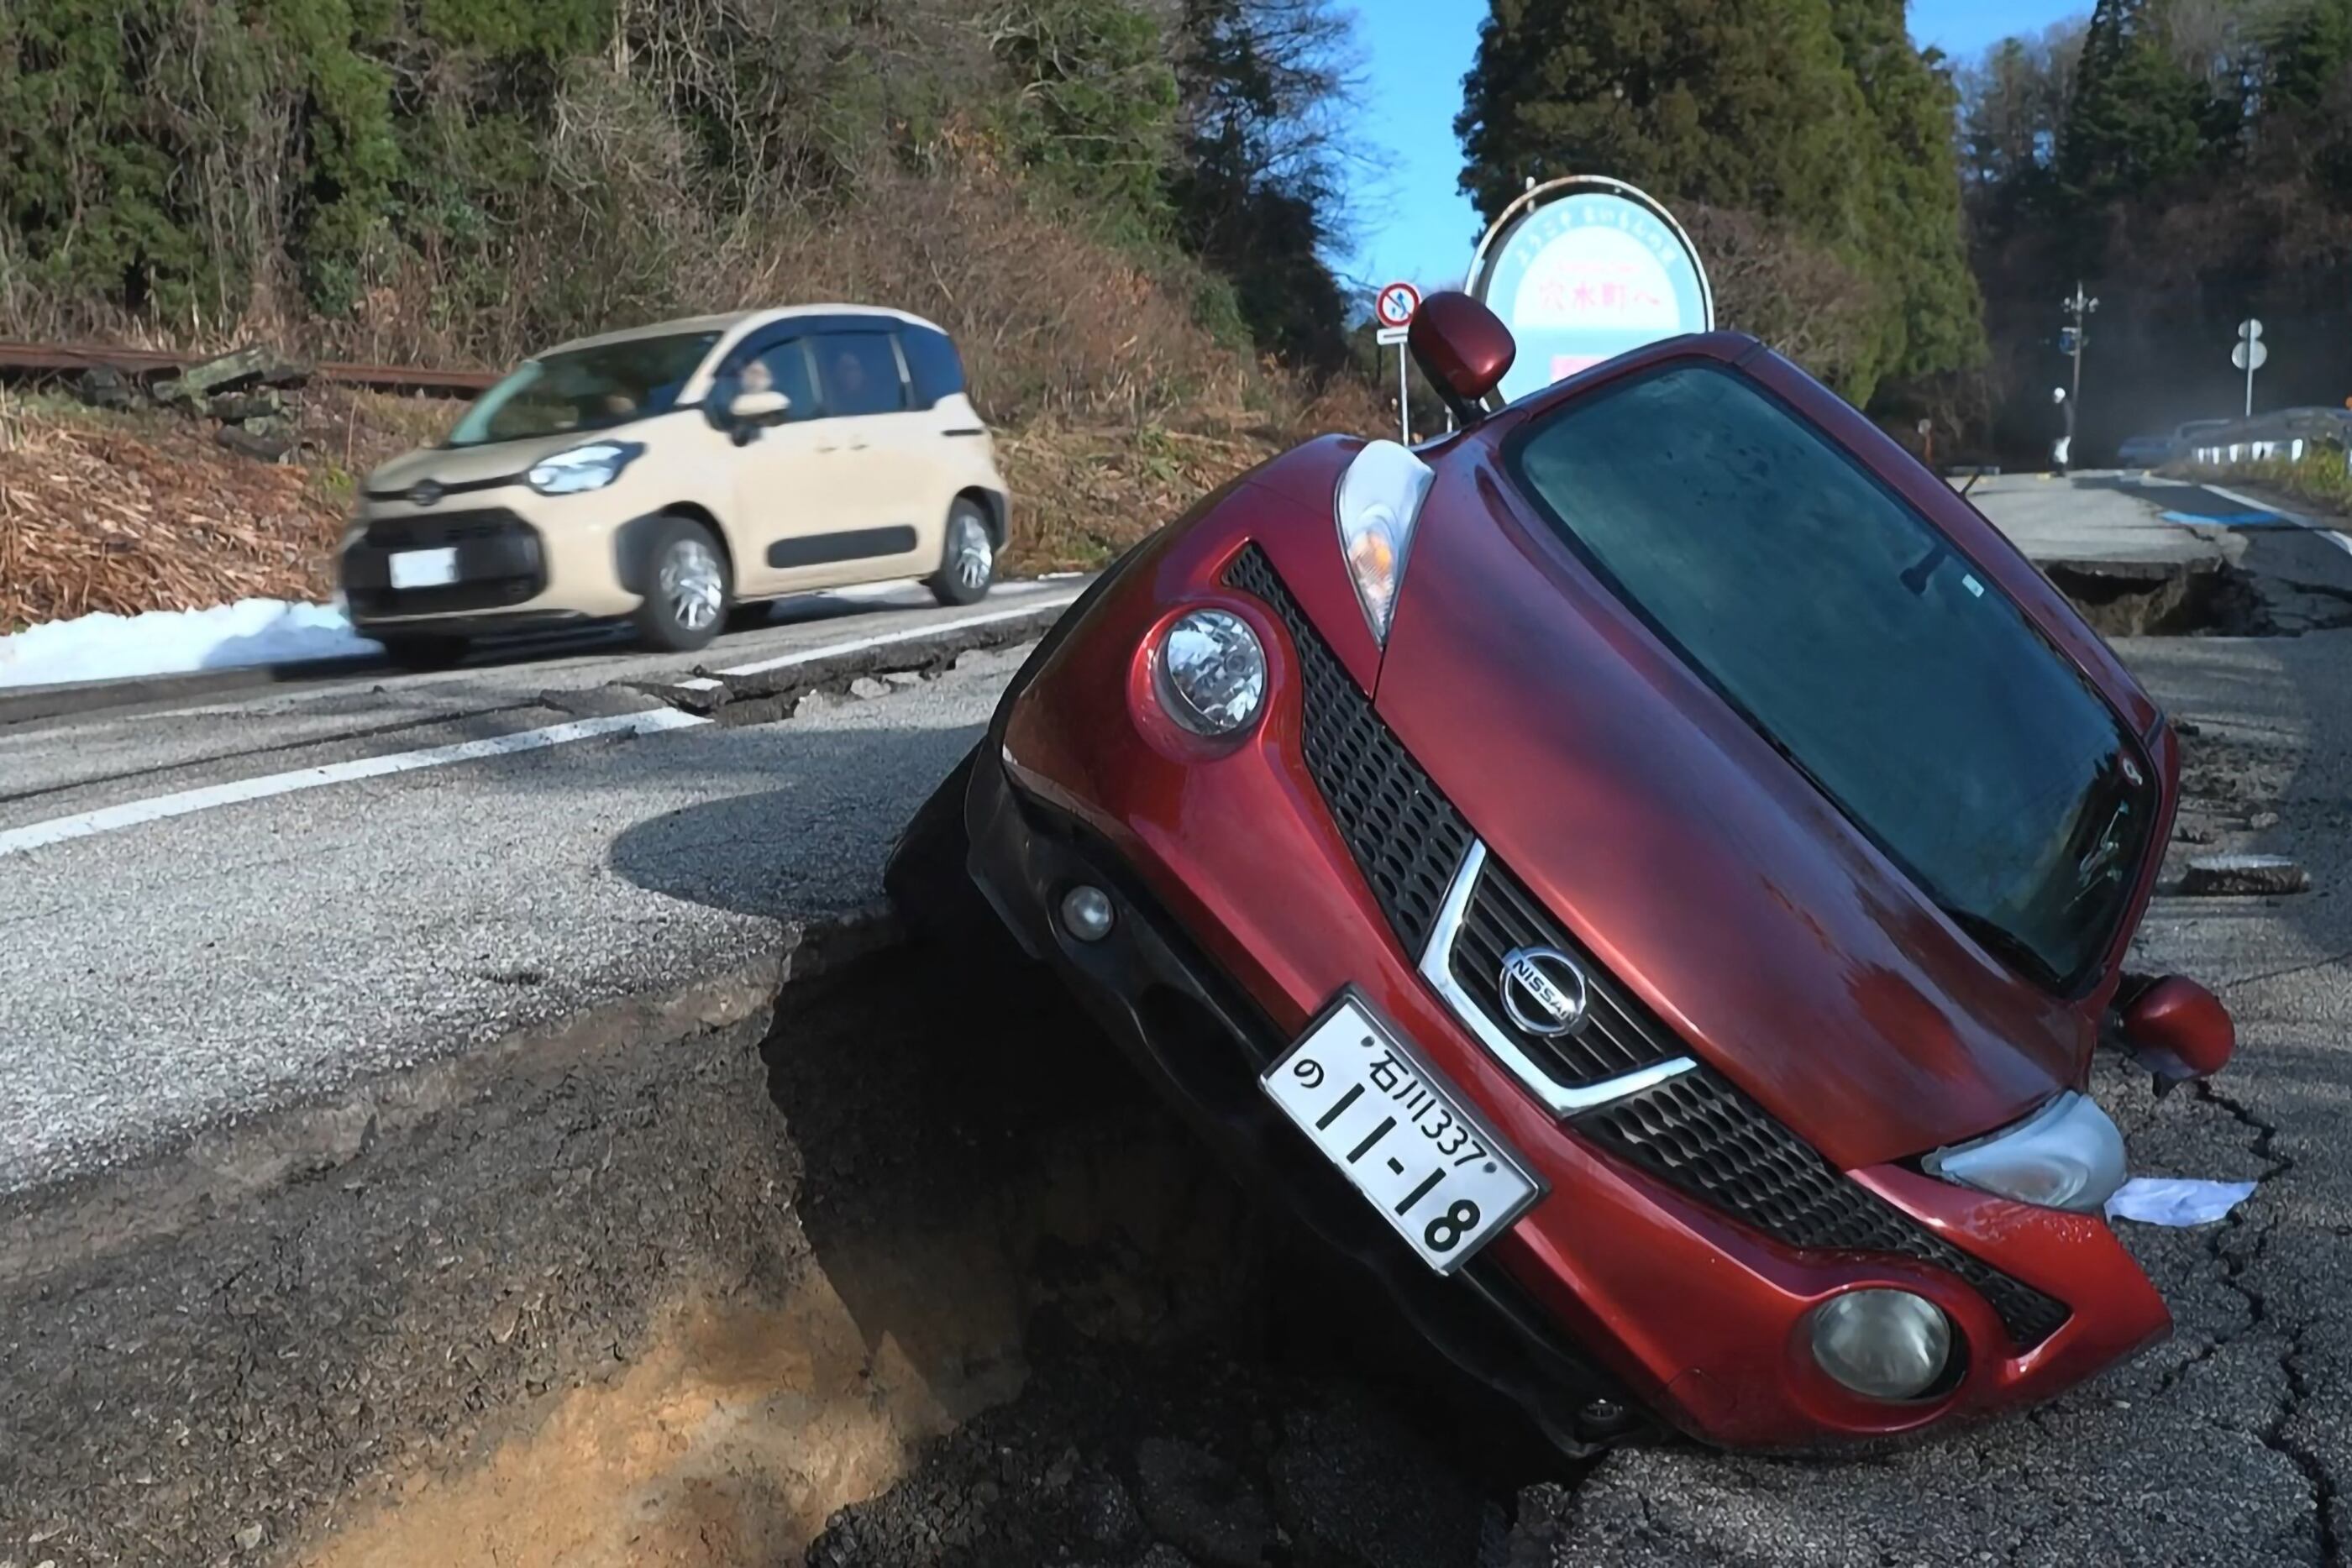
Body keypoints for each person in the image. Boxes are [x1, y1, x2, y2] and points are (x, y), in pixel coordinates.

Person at [2051, 386, 2074, 475]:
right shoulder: (2063, 406)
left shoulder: (2064, 407)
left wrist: (2065, 434)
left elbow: (2067, 422)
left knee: (2060, 453)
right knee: (2060, 452)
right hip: (2064, 434)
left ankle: (2062, 471)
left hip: (2064, 434)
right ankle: (2060, 471)